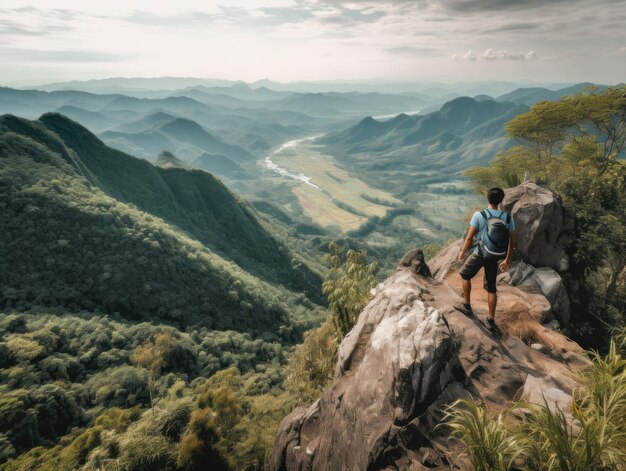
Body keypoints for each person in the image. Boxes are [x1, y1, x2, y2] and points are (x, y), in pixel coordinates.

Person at [455, 187, 516, 332]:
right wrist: (507, 260)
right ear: (501, 201)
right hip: (494, 257)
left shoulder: (479, 215)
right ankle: (490, 320)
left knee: (464, 274)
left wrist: (463, 252)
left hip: (479, 253)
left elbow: (469, 237)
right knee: (491, 288)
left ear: (488, 198)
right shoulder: (507, 218)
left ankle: (467, 305)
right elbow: (512, 242)